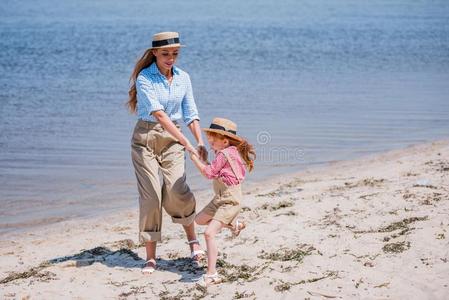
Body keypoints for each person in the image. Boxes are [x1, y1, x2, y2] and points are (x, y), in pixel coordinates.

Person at [127, 31, 208, 274]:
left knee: (177, 190)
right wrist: (187, 143)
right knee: (152, 195)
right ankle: (151, 257)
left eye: (175, 53)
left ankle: (193, 241)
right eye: (165, 54)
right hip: (146, 140)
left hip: (174, 140)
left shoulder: (184, 78)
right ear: (154, 54)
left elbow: (190, 112)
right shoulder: (145, 78)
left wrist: (200, 142)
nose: (171, 58)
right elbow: (160, 116)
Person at [189, 117, 256, 285]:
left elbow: (208, 174)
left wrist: (195, 159)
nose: (210, 142)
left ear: (225, 141)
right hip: (220, 198)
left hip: (229, 200)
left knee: (209, 233)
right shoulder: (230, 152)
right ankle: (235, 225)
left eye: (212, 139)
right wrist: (205, 162)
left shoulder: (225, 154)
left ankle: (211, 274)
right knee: (199, 219)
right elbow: (215, 170)